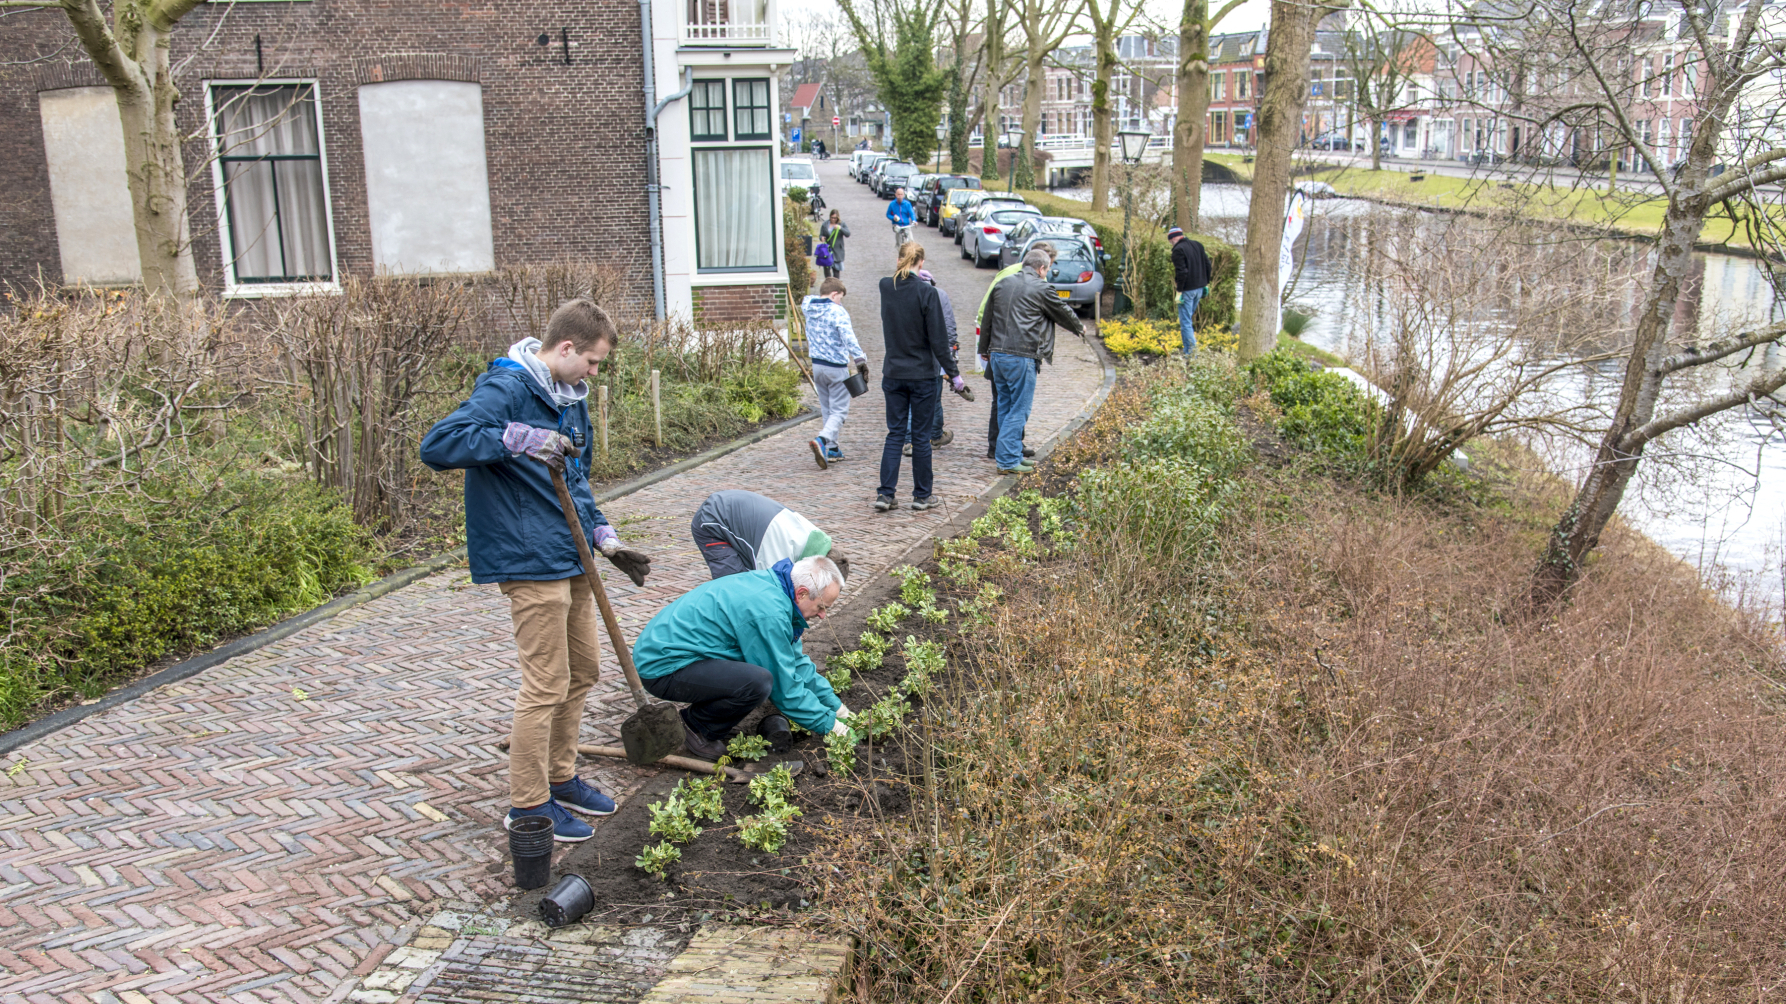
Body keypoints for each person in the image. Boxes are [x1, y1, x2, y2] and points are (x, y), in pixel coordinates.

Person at [419, 300, 655, 842]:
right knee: (546, 682)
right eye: (592, 361)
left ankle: (560, 776)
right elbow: (439, 444)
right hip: (527, 557)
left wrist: (604, 536)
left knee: (583, 670)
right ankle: (528, 806)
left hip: (572, 553)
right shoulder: (507, 388)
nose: (594, 372)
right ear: (566, 347)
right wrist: (515, 438)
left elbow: (575, 479)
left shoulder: (570, 399)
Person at [632, 555, 851, 761]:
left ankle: (711, 720)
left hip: (677, 653)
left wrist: (836, 707)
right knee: (758, 682)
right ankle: (696, 726)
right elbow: (784, 688)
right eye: (821, 607)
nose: (822, 615)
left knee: (755, 675)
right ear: (802, 593)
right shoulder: (769, 611)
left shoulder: (778, 590)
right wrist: (831, 726)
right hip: (664, 667)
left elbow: (795, 662)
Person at [979, 248, 1084, 474]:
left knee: (1005, 406)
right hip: (1021, 355)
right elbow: (1062, 311)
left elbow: (987, 317)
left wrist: (983, 349)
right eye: (1048, 270)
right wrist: (1080, 328)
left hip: (997, 355)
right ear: (1042, 268)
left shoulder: (1002, 283)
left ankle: (1012, 455)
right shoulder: (1042, 287)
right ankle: (1007, 461)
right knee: (1019, 410)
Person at [877, 242, 962, 511]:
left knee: (895, 434)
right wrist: (954, 374)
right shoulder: (928, 293)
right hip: (922, 375)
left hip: (893, 372)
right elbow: (939, 341)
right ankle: (922, 496)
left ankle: (885, 495)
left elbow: (897, 284)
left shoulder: (885, 286)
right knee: (921, 438)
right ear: (921, 263)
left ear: (899, 259)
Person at [974, 242, 1057, 461]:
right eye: (1048, 266)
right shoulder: (1016, 277)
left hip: (1003, 347)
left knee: (1007, 402)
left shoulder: (1016, 276)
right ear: (1040, 264)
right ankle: (1001, 449)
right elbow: (985, 311)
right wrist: (986, 344)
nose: (1047, 272)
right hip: (1011, 349)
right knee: (1011, 403)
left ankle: (1009, 449)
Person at [690, 490, 850, 581]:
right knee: (735, 585)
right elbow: (766, 593)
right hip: (711, 520)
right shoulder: (778, 554)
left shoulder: (813, 538)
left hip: (733, 507)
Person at [800, 277, 867, 467]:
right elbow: (848, 337)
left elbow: (808, 299)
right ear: (834, 294)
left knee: (827, 409)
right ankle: (821, 440)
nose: (840, 302)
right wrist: (860, 359)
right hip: (836, 367)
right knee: (839, 411)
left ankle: (833, 448)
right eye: (840, 298)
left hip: (817, 366)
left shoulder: (809, 307)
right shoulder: (838, 312)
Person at [903, 268, 956, 455]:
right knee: (934, 397)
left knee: (911, 398)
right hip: (935, 355)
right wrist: (951, 351)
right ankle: (934, 436)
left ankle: (909, 440)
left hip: (910, 354)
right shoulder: (939, 294)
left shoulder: (905, 294)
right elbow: (949, 325)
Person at [1168, 226, 1213, 356]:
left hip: (1187, 290)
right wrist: (1206, 282)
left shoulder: (1178, 250)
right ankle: (1190, 351)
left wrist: (1179, 291)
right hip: (1199, 288)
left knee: (1185, 322)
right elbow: (1208, 265)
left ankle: (1191, 354)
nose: (1171, 244)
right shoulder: (1197, 245)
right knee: (1188, 319)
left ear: (1172, 239)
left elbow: (1182, 272)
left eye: (1170, 241)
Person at [819, 210, 850, 278]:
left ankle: (835, 284)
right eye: (832, 217)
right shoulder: (825, 224)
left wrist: (840, 228)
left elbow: (848, 234)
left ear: (837, 217)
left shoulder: (841, 224)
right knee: (827, 271)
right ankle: (828, 283)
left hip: (837, 251)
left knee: (836, 272)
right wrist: (821, 238)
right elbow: (821, 235)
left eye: (835, 218)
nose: (833, 219)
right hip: (827, 251)